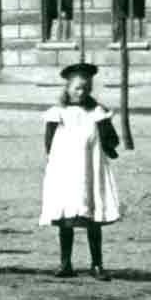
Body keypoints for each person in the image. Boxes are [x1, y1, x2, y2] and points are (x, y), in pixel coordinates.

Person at [39, 62, 120, 281]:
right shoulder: (58, 112)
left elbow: (111, 138)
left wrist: (109, 141)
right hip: (66, 171)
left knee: (93, 215)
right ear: (67, 88)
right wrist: (55, 164)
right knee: (66, 216)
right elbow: (49, 142)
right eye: (77, 88)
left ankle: (97, 264)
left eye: (85, 88)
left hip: (90, 169)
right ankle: (65, 263)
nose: (81, 92)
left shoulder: (97, 111)